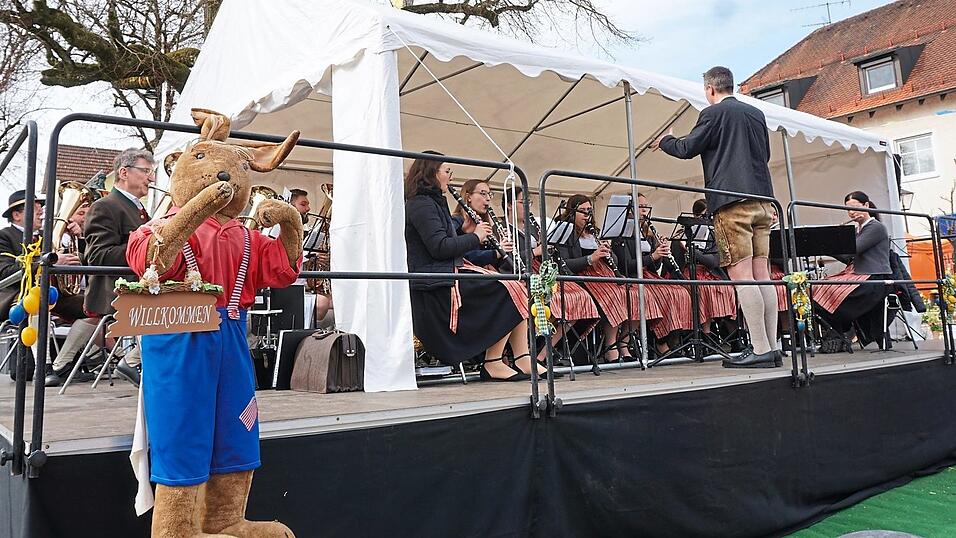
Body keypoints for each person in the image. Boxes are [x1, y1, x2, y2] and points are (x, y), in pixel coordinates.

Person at [652, 66, 779, 368]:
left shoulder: (712, 114)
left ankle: (760, 349)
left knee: (741, 276)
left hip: (732, 204)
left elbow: (687, 148)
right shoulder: (756, 114)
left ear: (710, 89)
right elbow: (766, 157)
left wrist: (665, 141)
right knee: (763, 275)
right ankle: (773, 347)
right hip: (763, 201)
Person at [404, 152, 542, 381]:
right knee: (507, 289)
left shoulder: (432, 202)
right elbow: (439, 247)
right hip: (435, 283)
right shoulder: (421, 204)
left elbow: (447, 241)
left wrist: (472, 237)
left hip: (447, 273)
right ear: (431, 172)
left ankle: (523, 357)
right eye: (446, 171)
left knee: (519, 286)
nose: (449, 176)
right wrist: (476, 236)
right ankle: (493, 362)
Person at [47, 149, 156, 387]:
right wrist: (147, 249)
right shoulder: (106, 206)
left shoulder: (137, 208)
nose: (152, 178)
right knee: (175, 306)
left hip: (134, 286)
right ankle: (131, 361)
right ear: (124, 173)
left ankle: (132, 361)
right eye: (146, 171)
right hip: (113, 289)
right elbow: (98, 256)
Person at [501, 187, 599, 364]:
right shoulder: (501, 228)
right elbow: (505, 259)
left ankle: (541, 355)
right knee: (547, 299)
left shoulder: (533, 227)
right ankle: (521, 352)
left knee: (579, 297)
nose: (528, 207)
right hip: (520, 274)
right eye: (524, 202)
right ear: (509, 205)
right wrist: (535, 251)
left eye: (529, 203)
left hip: (542, 272)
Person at [556, 195, 634, 361]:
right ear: (571, 212)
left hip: (604, 274)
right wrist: (591, 258)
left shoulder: (595, 233)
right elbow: (563, 263)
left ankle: (621, 344)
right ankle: (610, 346)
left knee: (633, 293)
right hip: (583, 276)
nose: (586, 215)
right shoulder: (565, 231)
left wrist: (608, 251)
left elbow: (616, 261)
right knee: (613, 294)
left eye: (589, 211)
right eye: (582, 211)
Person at [613, 193, 693, 356]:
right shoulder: (619, 233)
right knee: (662, 294)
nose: (644, 210)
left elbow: (655, 265)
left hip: (649, 276)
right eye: (640, 206)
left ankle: (672, 339)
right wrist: (653, 256)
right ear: (628, 210)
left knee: (680, 292)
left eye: (645, 206)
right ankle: (660, 342)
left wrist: (659, 251)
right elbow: (625, 265)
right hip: (631, 277)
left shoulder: (645, 233)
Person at [812, 191, 892, 349]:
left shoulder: (876, 227)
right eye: (848, 209)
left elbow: (854, 249)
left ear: (866, 206)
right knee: (816, 287)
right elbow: (849, 258)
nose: (851, 213)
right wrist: (826, 247)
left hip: (874, 277)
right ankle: (838, 333)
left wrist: (831, 242)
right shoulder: (858, 230)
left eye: (855, 208)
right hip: (859, 273)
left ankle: (842, 332)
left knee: (827, 292)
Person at [671, 199, 739, 336]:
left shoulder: (714, 234)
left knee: (729, 290)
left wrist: (692, 250)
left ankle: (734, 335)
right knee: (702, 290)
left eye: (710, 216)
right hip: (689, 272)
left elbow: (714, 261)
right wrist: (681, 248)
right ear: (695, 216)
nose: (707, 220)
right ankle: (706, 335)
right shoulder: (682, 235)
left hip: (712, 272)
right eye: (704, 216)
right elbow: (677, 263)